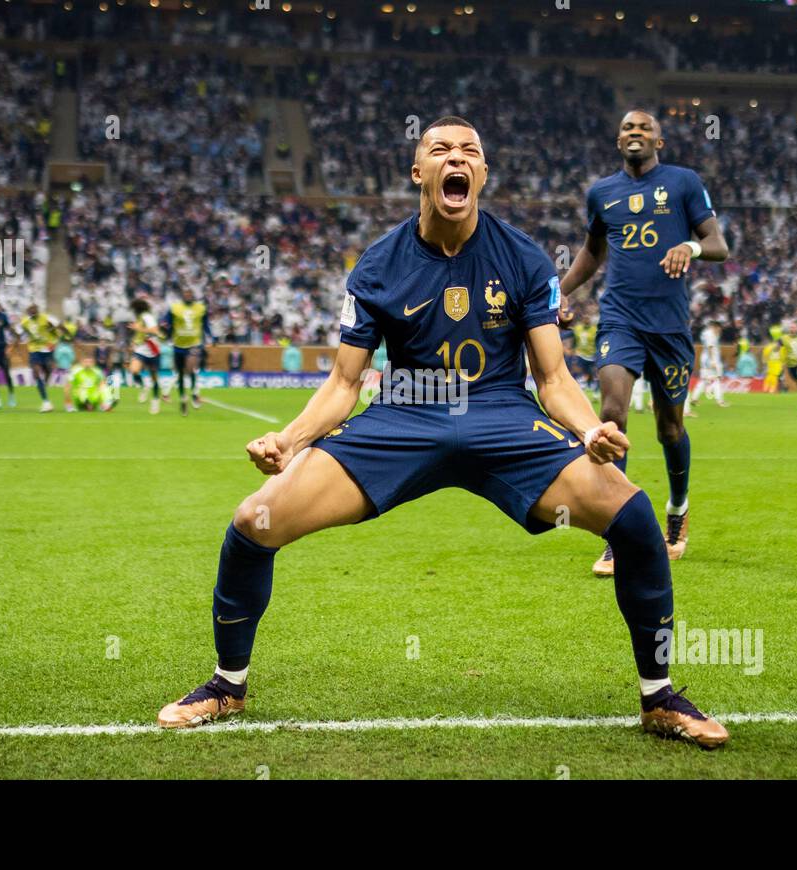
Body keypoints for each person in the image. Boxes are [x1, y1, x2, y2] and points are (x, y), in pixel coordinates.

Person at [156, 116, 728, 748]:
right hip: (404, 417)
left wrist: (592, 428)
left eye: (470, 152)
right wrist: (288, 441)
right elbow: (345, 386)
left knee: (634, 515)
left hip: (502, 417)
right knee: (253, 522)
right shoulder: (378, 265)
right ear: (419, 173)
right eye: (441, 150)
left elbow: (553, 375)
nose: (457, 158)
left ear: (481, 174)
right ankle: (226, 686)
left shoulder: (523, 257)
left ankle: (659, 698)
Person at [558, 109, 729, 572]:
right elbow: (593, 253)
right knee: (611, 417)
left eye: (644, 129)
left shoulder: (683, 183)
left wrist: (688, 246)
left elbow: (718, 243)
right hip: (620, 321)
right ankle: (620, 530)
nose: (636, 134)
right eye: (628, 129)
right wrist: (559, 292)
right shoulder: (602, 193)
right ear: (619, 142)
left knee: (669, 427)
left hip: (670, 327)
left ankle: (677, 510)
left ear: (660, 140)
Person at [165, 287, 207, 416]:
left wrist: (211, 336)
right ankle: (183, 399)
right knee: (181, 375)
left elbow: (205, 324)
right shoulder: (175, 308)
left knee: (191, 368)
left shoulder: (200, 308)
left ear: (193, 295)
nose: (188, 295)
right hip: (178, 345)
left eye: (190, 293)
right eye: (186, 293)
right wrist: (165, 331)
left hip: (194, 344)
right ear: (182, 295)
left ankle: (194, 393)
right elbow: (167, 323)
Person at [20, 304, 65, 413]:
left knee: (48, 370)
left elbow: (61, 327)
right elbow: (24, 332)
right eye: (30, 311)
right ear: (28, 312)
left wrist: (61, 336)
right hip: (34, 349)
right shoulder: (25, 322)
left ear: (38, 310)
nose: (32, 312)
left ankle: (43, 386)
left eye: (34, 310)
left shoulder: (47, 318)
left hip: (48, 348)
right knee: (36, 372)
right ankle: (46, 402)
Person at [127, 296, 164, 415]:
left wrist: (140, 328)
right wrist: (133, 342)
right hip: (141, 349)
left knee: (154, 378)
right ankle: (144, 386)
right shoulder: (139, 318)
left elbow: (155, 330)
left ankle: (155, 400)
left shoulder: (147, 317)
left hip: (153, 350)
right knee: (133, 370)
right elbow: (139, 333)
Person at [691, 320, 728, 408]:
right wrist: (712, 361)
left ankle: (694, 398)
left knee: (704, 380)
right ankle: (720, 401)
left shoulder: (706, 333)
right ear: (715, 327)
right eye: (719, 329)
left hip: (706, 359)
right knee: (716, 379)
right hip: (710, 360)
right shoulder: (710, 334)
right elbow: (710, 347)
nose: (720, 331)